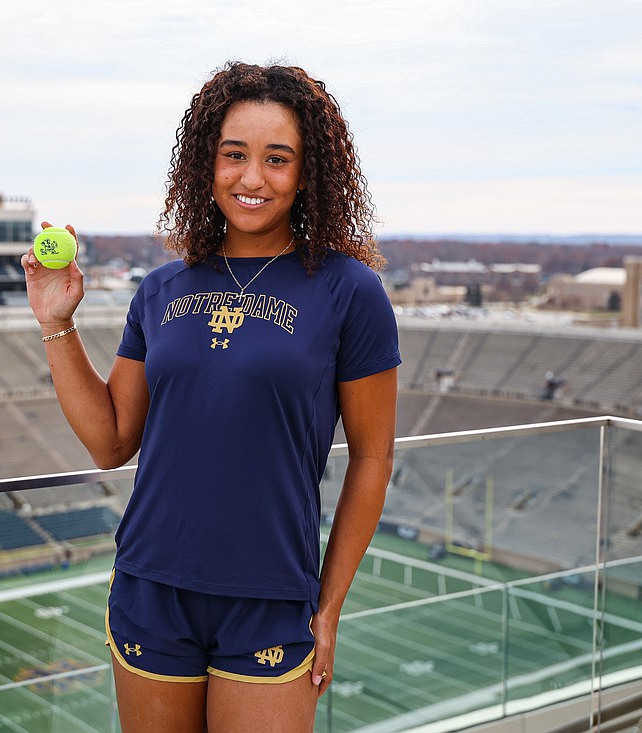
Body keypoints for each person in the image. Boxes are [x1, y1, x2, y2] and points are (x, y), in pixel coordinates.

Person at [21, 61, 400, 733]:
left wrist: (330, 605)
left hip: (271, 595)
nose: (252, 178)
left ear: (308, 172)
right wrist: (57, 321)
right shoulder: (162, 289)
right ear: (207, 164)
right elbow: (110, 441)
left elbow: (373, 457)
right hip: (151, 587)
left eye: (277, 159)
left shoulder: (350, 291)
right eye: (235, 156)